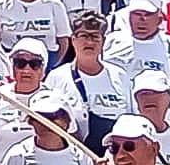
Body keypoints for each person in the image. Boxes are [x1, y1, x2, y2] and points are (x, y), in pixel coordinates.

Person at [45, 11, 129, 145]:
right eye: (83, 36)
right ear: (73, 40)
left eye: (95, 36)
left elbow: (130, 117)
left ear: (103, 41)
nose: (89, 42)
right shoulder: (57, 77)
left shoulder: (119, 75)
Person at [103, 0, 170, 81]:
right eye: (137, 14)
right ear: (129, 16)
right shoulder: (110, 42)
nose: (142, 19)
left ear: (159, 19)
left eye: (148, 14)